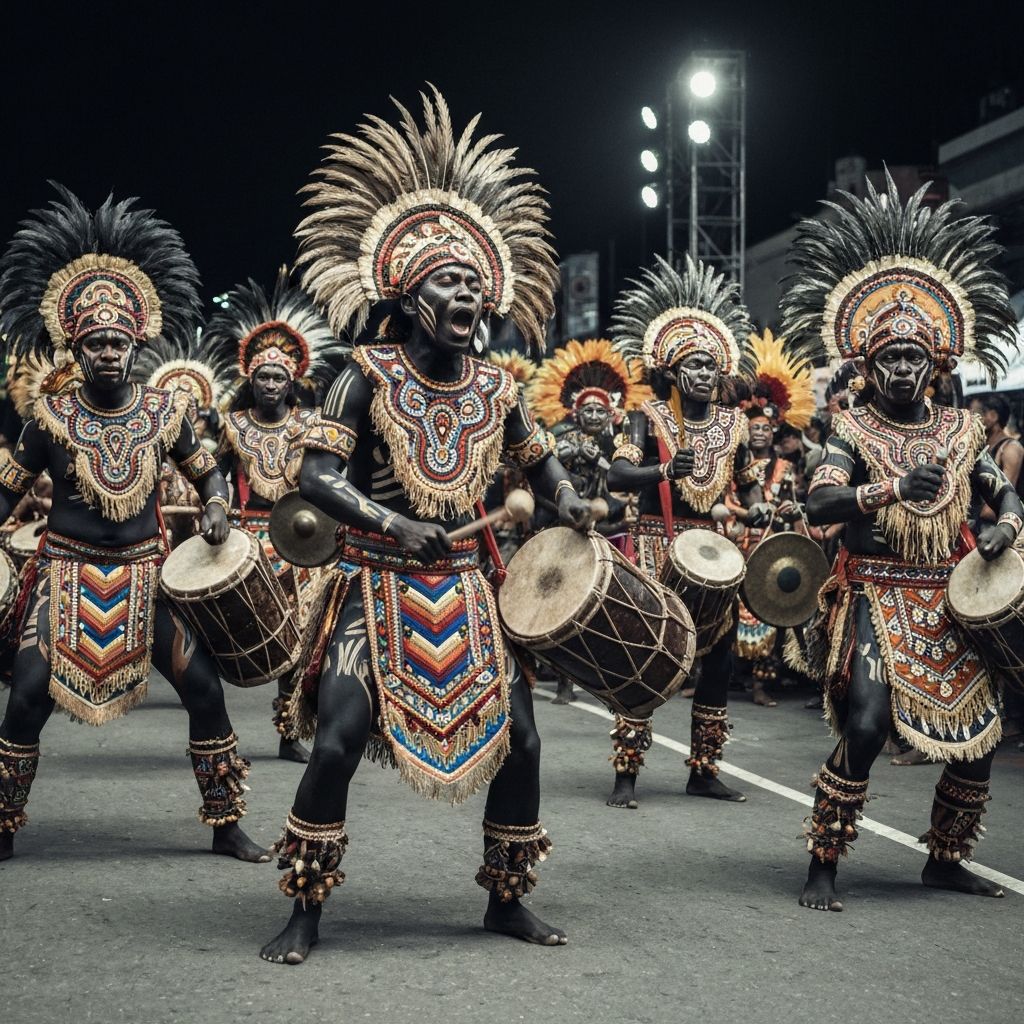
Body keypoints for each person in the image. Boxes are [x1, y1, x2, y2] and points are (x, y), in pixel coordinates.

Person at [260, 87, 593, 965]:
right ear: (408, 297)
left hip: (471, 591)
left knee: (522, 739)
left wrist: (577, 503)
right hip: (373, 580)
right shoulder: (362, 373)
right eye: (449, 281)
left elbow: (542, 467)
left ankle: (506, 900)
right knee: (334, 740)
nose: (469, 294)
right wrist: (389, 523)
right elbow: (315, 474)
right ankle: (306, 909)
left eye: (476, 286)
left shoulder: (501, 387)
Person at [0, 184, 267, 863]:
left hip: (149, 580)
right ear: (75, 349)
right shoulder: (47, 421)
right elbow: (5, 497)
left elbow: (208, 471)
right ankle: (2, 824)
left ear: (137, 342)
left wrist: (213, 506)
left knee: (203, 690)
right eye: (95, 344)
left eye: (119, 341)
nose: (109, 353)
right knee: (28, 697)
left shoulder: (166, 414)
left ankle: (226, 822)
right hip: (65, 575)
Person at [780, 170, 1023, 912]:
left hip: (946, 597)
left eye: (915, 358)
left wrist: (1007, 525)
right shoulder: (848, 430)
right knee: (864, 721)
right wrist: (885, 490)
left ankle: (945, 858)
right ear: (866, 364)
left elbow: (999, 489)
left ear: (937, 364)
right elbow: (818, 498)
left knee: (979, 731)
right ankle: (824, 860)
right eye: (889, 358)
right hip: (873, 592)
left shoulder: (959, 430)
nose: (902, 369)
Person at [603, 255, 770, 809]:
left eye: (709, 366)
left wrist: (759, 507)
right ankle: (627, 772)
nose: (701, 374)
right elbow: (618, 472)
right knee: (647, 654)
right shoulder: (646, 416)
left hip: (714, 551)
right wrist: (661, 471)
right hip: (655, 543)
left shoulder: (735, 424)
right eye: (691, 366)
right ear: (672, 373)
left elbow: (748, 484)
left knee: (719, 660)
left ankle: (704, 769)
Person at [205, 267, 346, 762]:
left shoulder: (311, 424)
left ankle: (289, 729)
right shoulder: (233, 425)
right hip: (248, 537)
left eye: (278, 378)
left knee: (302, 633)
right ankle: (211, 721)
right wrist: (216, 505)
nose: (269, 384)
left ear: (292, 383)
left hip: (304, 540)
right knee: (232, 631)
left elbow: (330, 479)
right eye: (262, 377)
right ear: (251, 379)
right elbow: (216, 472)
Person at [530, 338, 651, 702]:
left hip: (608, 531)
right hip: (562, 529)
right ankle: (562, 677)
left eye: (601, 410)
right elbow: (541, 483)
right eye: (589, 410)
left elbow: (621, 489)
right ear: (576, 412)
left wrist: (600, 466)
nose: (595, 416)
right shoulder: (557, 440)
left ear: (610, 412)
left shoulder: (620, 445)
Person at [728, 329, 816, 706]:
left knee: (768, 613)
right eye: (754, 429)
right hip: (738, 544)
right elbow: (727, 500)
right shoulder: (735, 464)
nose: (759, 433)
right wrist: (748, 512)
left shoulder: (785, 467)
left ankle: (763, 684)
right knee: (730, 615)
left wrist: (787, 512)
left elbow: (794, 502)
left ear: (774, 431)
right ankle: (729, 677)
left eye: (764, 428)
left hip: (770, 549)